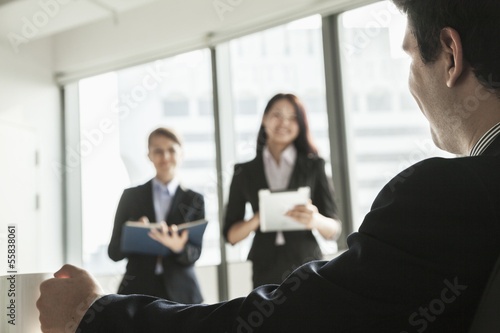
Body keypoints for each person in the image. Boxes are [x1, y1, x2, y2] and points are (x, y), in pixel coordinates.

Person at [37, 1, 500, 332]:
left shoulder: (441, 195)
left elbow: (292, 318)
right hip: (271, 279)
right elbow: (231, 241)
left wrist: (94, 316)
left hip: (301, 278)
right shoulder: (241, 173)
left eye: (408, 56)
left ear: (450, 56)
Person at [224, 93, 342, 287]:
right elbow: (231, 235)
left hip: (307, 266)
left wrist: (315, 220)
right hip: (265, 268)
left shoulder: (314, 166)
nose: (284, 122)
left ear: (301, 123)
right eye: (277, 115)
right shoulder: (244, 172)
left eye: (293, 117)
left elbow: (334, 230)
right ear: (264, 118)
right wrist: (258, 218)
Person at [107, 127, 205, 304]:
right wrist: (133, 233)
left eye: (171, 150)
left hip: (182, 293)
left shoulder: (195, 200)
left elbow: (195, 254)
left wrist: (178, 247)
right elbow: (113, 252)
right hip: (137, 291)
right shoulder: (130, 197)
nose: (165, 156)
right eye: (158, 151)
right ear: (149, 156)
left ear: (181, 154)